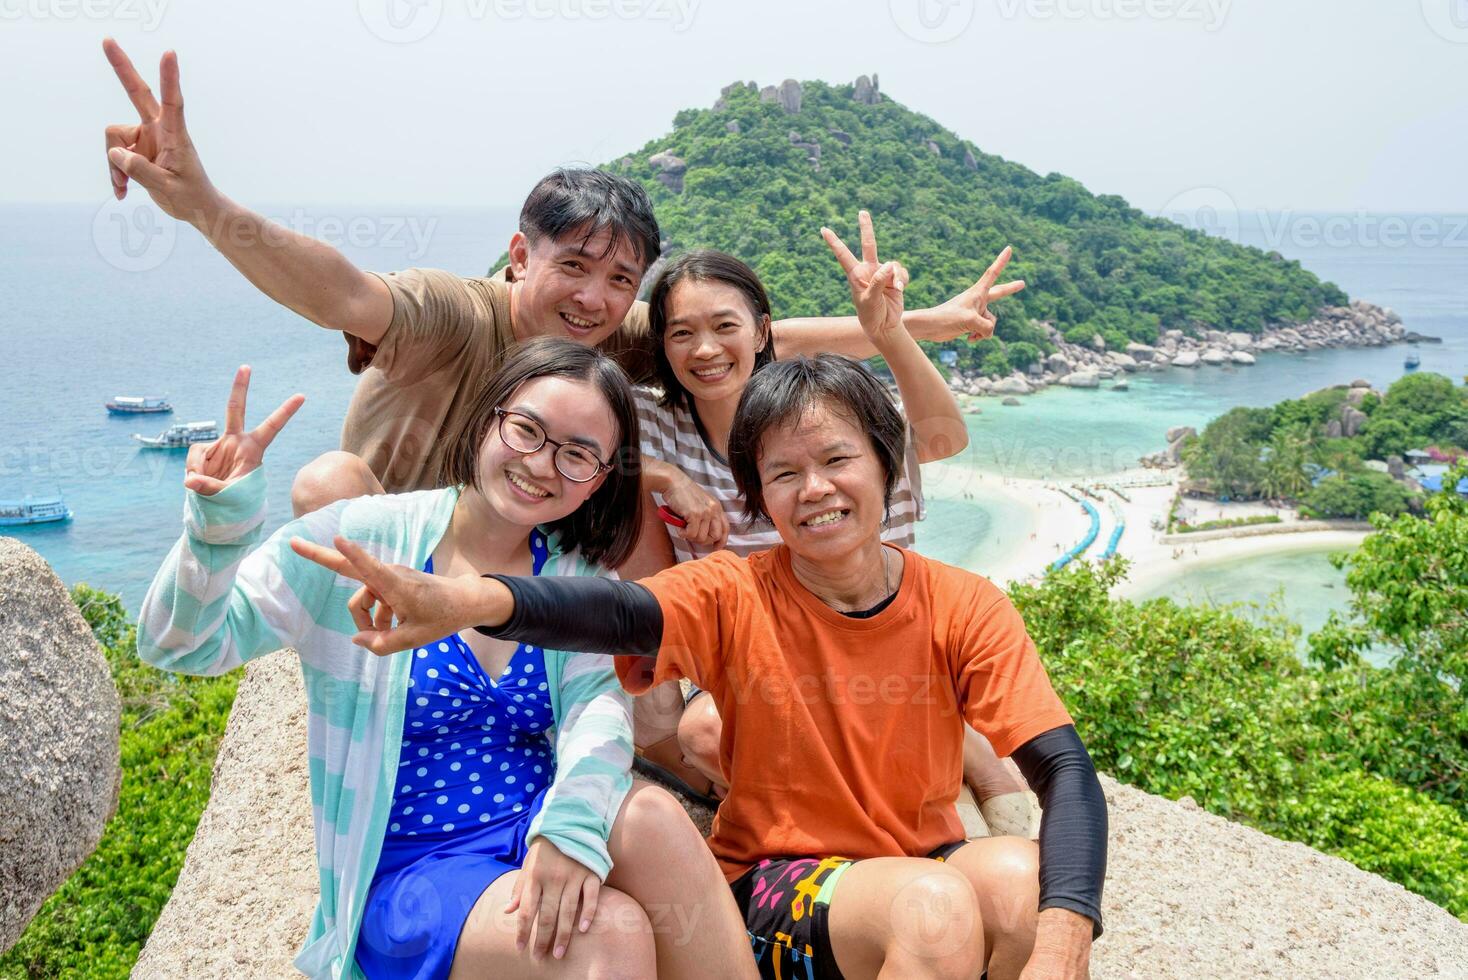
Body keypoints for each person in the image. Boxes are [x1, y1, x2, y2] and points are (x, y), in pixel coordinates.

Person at [296, 221, 1107, 979]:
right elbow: (610, 614)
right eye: (785, 475)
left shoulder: (963, 602)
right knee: (935, 913)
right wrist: (469, 599)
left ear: (888, 468)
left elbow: (1065, 769)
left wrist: (1068, 937)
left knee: (1024, 887)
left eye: (836, 462)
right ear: (757, 496)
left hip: (924, 854)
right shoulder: (731, 590)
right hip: (785, 882)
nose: (816, 491)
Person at [99, 41, 1024, 510]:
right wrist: (205, 206)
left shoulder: (605, 339)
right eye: (573, 266)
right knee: (327, 482)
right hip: (398, 551)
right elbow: (340, 290)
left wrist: (925, 323)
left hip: (510, 565)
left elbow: (768, 340)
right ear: (518, 255)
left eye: (621, 279)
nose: (595, 296)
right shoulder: (455, 314)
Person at [136, 340, 755, 979]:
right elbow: (183, 643)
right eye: (528, 431)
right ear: (489, 418)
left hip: (535, 824)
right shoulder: (365, 539)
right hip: (413, 865)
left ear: (598, 480)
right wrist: (216, 529)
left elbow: (598, 714)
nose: (541, 465)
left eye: (576, 455)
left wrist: (568, 830)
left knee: (652, 815)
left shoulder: (570, 576)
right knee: (610, 936)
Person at [626, 231, 1040, 839]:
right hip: (761, 659)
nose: (705, 350)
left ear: (762, 332)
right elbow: (583, 458)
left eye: (725, 327)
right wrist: (664, 477)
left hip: (874, 640)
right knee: (706, 730)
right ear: (662, 344)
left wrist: (893, 330)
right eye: (681, 333)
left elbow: (942, 438)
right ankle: (912, 783)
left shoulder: (817, 420)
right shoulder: (654, 424)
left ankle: (968, 759)